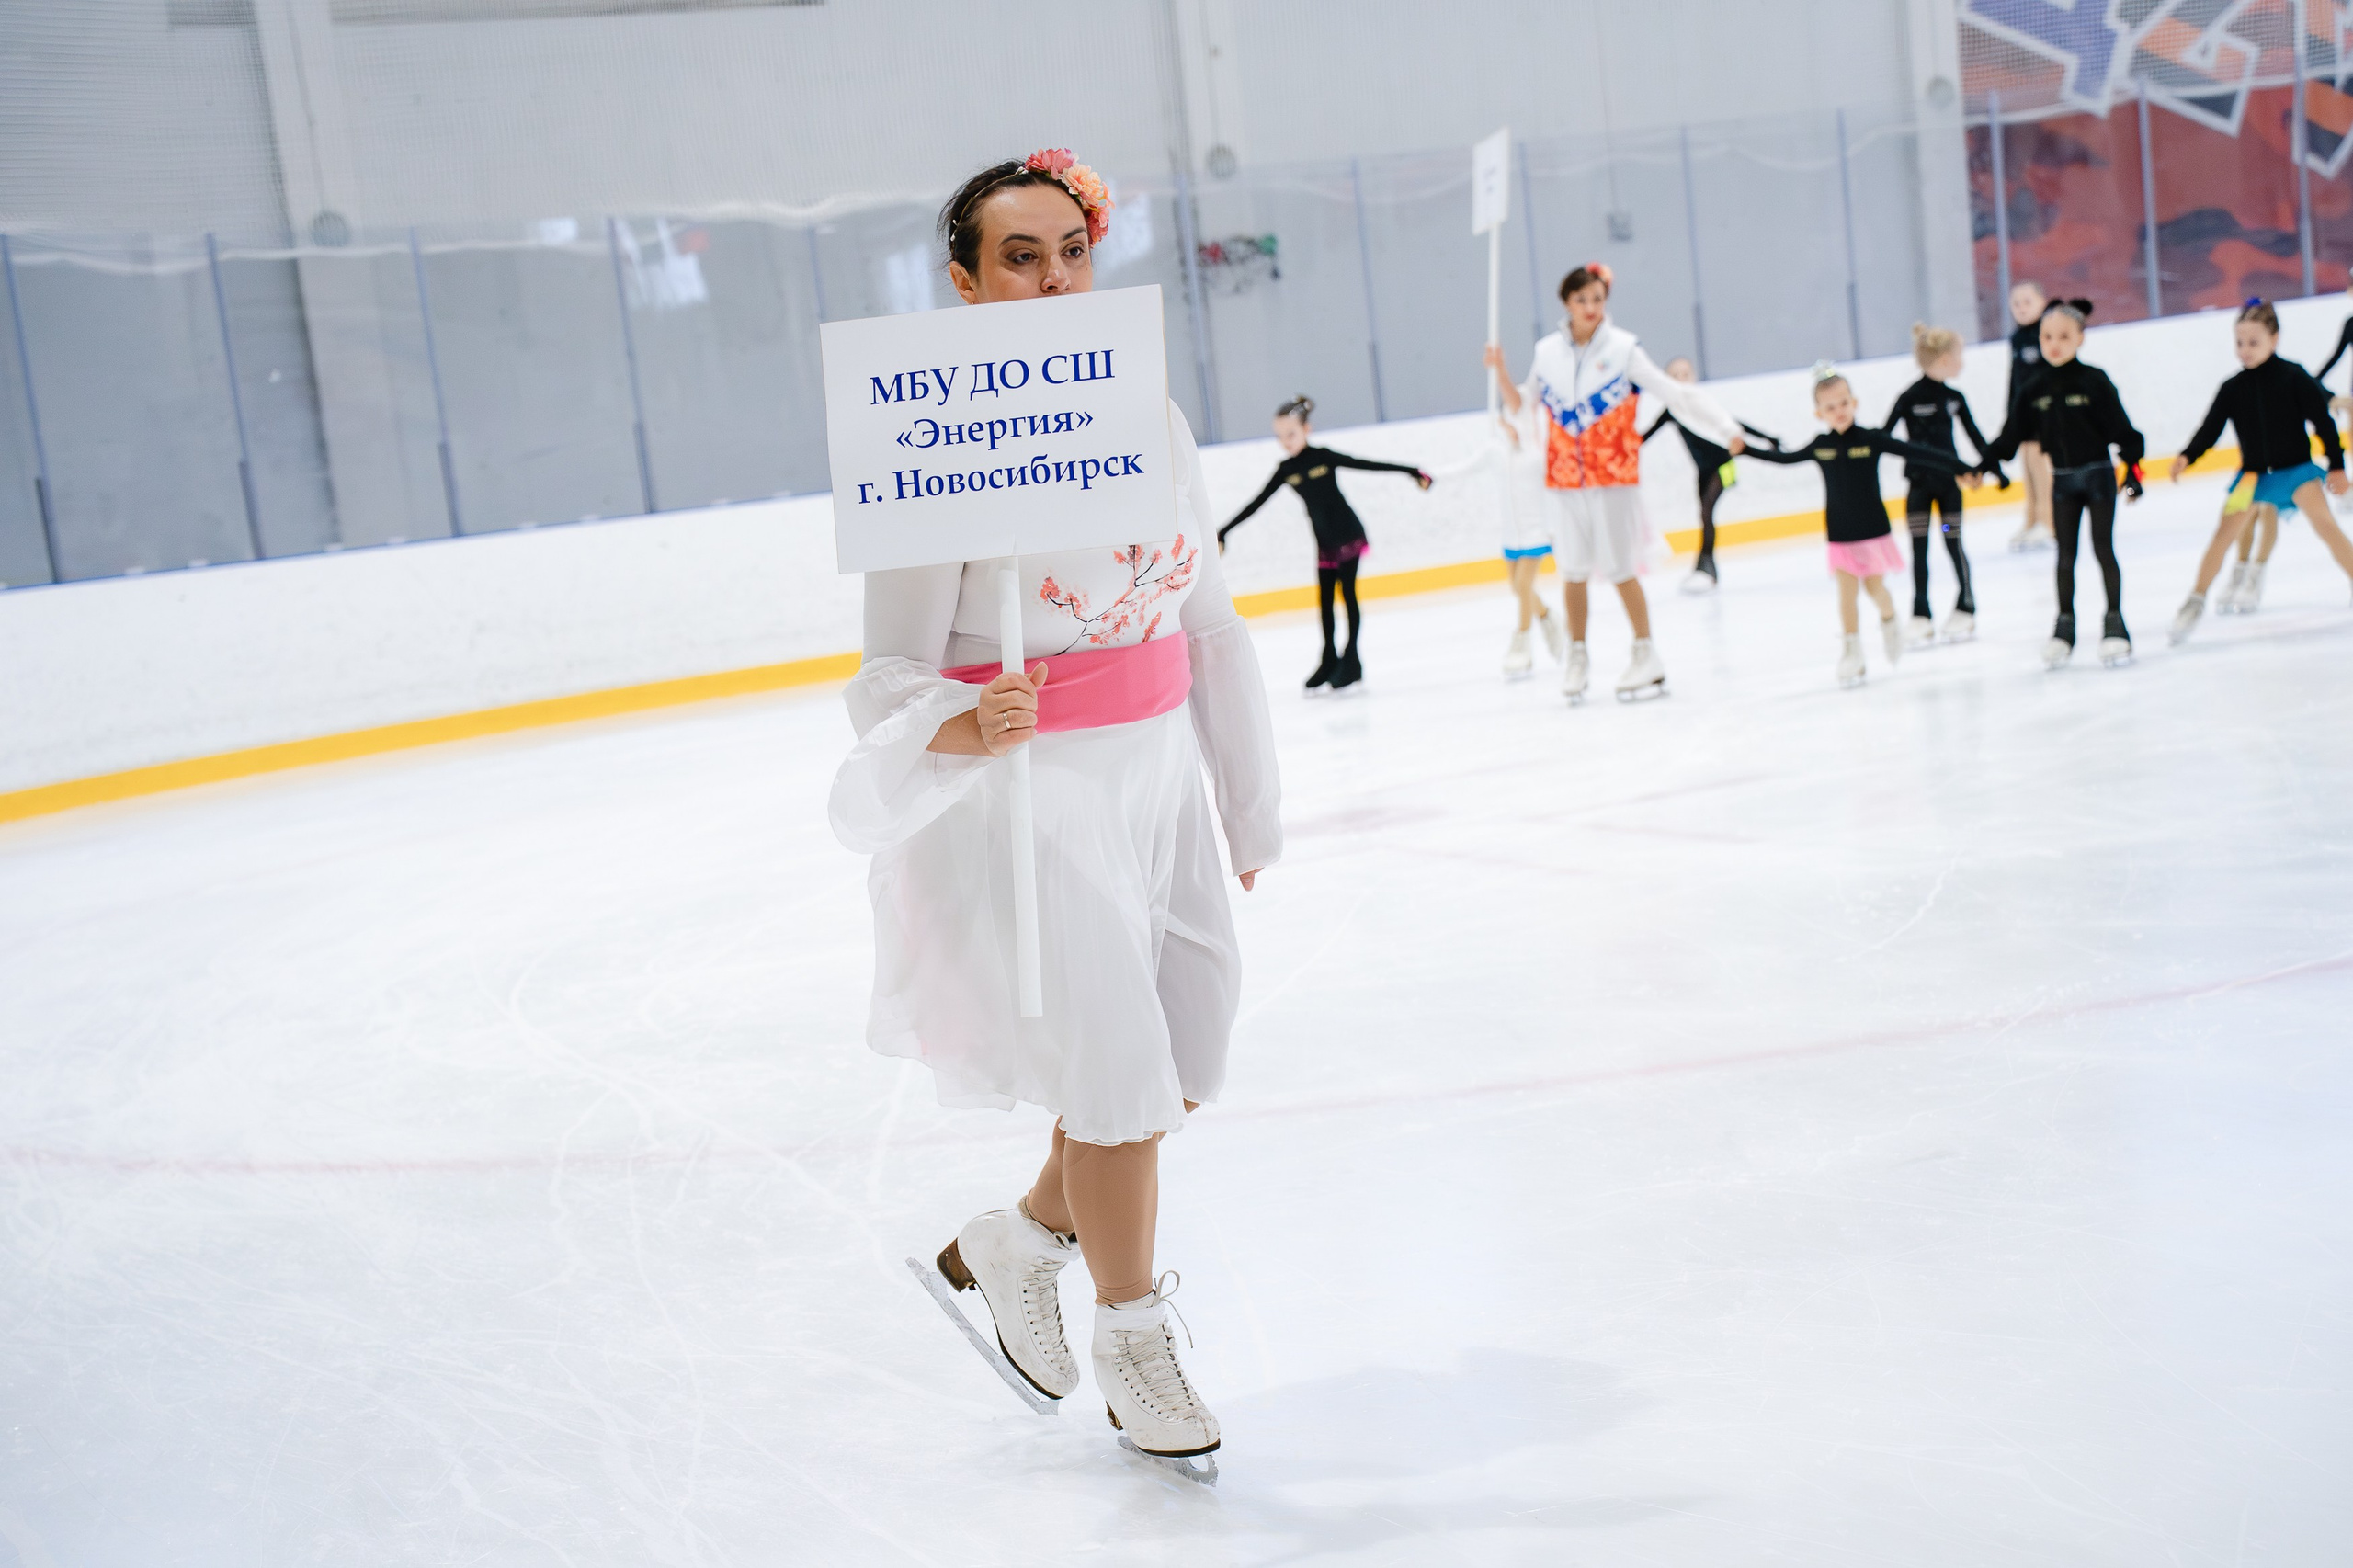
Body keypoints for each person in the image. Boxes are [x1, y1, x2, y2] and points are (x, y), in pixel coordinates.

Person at [829, 149, 1281, 1468]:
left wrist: (1246, 803)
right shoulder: (928, 442)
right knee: (1122, 1078)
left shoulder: (1156, 415)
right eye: (1018, 256)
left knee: (1184, 1054)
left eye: (1069, 251)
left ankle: (1019, 1235)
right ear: (964, 281)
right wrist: (964, 723)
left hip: (1157, 776)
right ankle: (1133, 1337)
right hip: (1034, 792)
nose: (1052, 276)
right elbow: (888, 672)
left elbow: (1206, 617)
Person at [1511, 260, 1747, 702]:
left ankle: (1646, 653)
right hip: (1564, 480)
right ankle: (1577, 656)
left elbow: (1675, 394)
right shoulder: (1546, 354)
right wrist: (1499, 378)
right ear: (1566, 302)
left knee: (1620, 569)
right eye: (1581, 299)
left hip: (1613, 477)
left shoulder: (1623, 350)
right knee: (1573, 572)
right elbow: (1523, 403)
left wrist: (1725, 425)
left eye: (1597, 299)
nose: (1590, 307)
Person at [1742, 365, 1978, 687]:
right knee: (1846, 594)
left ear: (1855, 403)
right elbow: (1784, 459)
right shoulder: (1820, 445)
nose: (1838, 411)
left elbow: (1920, 452)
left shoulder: (1872, 439)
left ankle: (1889, 619)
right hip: (1839, 536)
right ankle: (1852, 652)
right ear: (1818, 413)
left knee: (1874, 589)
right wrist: (1745, 450)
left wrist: (1964, 467)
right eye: (1830, 407)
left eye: (1843, 403)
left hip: (1873, 533)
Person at [2166, 300, 2353, 644]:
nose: (2245, 351)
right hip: (2252, 477)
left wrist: (2337, 466)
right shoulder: (2232, 388)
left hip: (2297, 472)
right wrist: (2187, 456)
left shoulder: (2295, 377)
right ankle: (2195, 600)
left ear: (2274, 339)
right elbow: (2210, 429)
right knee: (2223, 535)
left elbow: (2324, 424)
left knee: (2327, 528)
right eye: (2239, 343)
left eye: (2253, 343)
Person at [1217, 394, 1432, 691]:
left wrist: (1412, 471)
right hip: (1325, 543)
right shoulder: (1285, 470)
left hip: (1348, 535)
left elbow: (1367, 464)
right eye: (1280, 436)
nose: (1286, 442)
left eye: (1291, 434)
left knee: (1348, 596)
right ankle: (1329, 658)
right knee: (1325, 602)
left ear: (1307, 429)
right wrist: (1223, 530)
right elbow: (1257, 502)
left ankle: (1352, 659)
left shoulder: (1324, 456)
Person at [1983, 298, 2148, 668]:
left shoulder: (2094, 380)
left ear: (2079, 339)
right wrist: (1985, 464)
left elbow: (2124, 432)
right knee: (2065, 557)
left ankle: (2115, 624)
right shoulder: (2034, 388)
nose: (2054, 344)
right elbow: (2010, 437)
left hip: (2099, 477)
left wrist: (2133, 474)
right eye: (2046, 337)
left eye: (2062, 336)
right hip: (2062, 481)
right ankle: (2064, 628)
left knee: (2103, 550)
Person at [1880, 324, 1996, 644]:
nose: (1962, 362)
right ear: (1945, 359)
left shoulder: (1953, 399)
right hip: (1919, 487)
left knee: (1951, 540)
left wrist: (1990, 466)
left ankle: (1966, 604)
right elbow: (1883, 438)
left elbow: (1974, 436)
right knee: (1920, 548)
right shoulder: (1908, 398)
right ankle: (1920, 612)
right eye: (1959, 356)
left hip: (1948, 488)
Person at [1636, 355, 1781, 595]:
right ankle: (1703, 566)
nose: (1680, 380)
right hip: (1702, 472)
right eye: (1674, 376)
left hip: (1724, 466)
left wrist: (1768, 438)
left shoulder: (1700, 402)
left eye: (1685, 375)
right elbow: (1645, 437)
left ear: (1693, 377)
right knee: (1704, 516)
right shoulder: (1672, 411)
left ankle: (1708, 569)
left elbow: (1732, 422)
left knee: (1707, 511)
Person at [1480, 344, 1566, 677]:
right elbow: (1514, 397)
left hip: (1539, 521)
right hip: (1514, 524)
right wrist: (1498, 368)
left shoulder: (1549, 427)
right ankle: (1546, 617)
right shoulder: (1525, 411)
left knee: (1523, 585)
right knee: (1518, 587)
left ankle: (1522, 640)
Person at [2005, 280, 2056, 551]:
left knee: (2040, 464)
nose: (2021, 308)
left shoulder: (2047, 333)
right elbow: (2014, 379)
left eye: (2027, 302)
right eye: (2016, 303)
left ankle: (2048, 522)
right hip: (2023, 413)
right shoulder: (2017, 338)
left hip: (2044, 412)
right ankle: (2031, 519)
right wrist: (2011, 414)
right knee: (2027, 462)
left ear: (2042, 303)